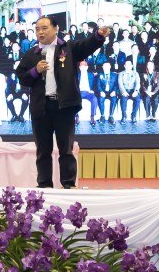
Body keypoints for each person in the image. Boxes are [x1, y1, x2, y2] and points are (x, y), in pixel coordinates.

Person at [15, 17, 109, 188]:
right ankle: (44, 185)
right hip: (41, 107)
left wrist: (99, 36)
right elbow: (22, 78)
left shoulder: (69, 48)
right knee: (43, 150)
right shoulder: (31, 54)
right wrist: (35, 71)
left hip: (64, 106)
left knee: (66, 149)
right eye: (37, 29)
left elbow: (87, 45)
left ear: (55, 29)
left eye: (44, 28)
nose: (40, 32)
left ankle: (68, 184)